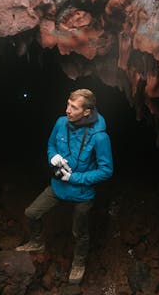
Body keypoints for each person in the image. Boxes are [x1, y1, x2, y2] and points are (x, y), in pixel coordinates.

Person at [16, 88, 114, 284]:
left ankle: (79, 262)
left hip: (82, 193)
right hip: (58, 186)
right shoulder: (61, 123)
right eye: (68, 104)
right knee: (32, 213)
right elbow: (51, 145)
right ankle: (36, 242)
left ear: (86, 112)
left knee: (79, 232)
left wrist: (75, 178)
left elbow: (106, 170)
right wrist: (53, 157)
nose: (67, 110)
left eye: (73, 107)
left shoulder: (100, 137)